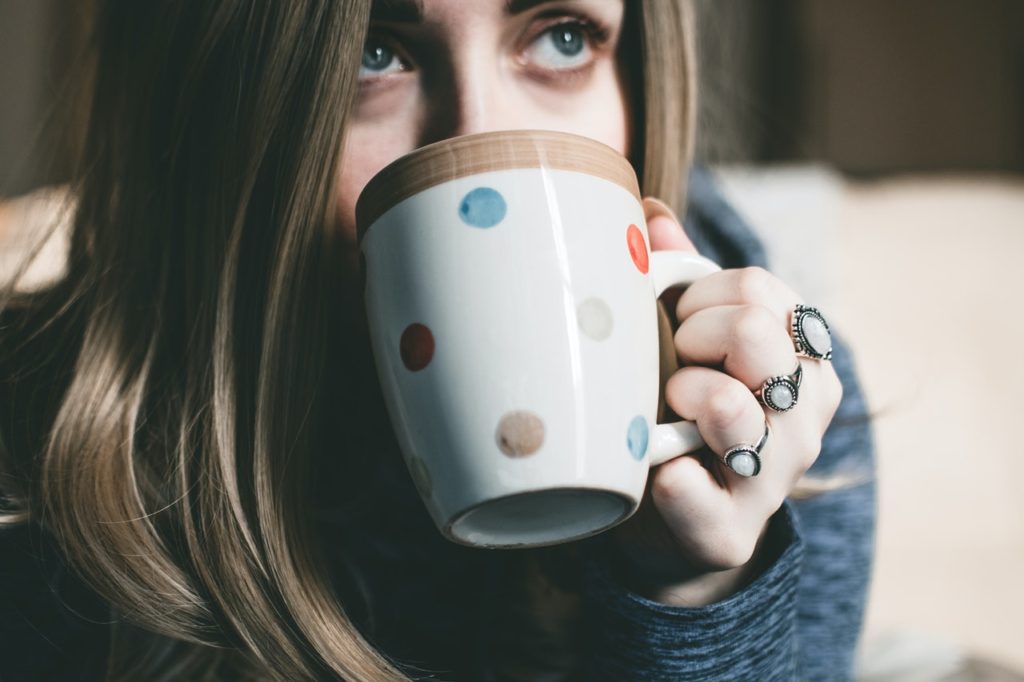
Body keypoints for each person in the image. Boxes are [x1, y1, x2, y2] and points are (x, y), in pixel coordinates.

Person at [0, 1, 876, 680]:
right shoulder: (37, 449)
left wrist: (698, 598)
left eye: (564, 37)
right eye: (369, 52)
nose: (478, 140)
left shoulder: (773, 408)